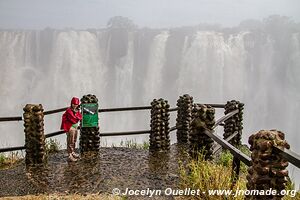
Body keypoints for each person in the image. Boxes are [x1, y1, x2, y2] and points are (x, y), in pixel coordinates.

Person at [61, 97, 82, 162]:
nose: (75, 105)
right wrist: (77, 116)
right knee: (70, 141)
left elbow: (80, 117)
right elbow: (73, 119)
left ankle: (72, 152)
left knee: (74, 140)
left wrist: (77, 116)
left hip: (75, 127)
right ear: (71, 103)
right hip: (70, 128)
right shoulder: (69, 110)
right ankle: (69, 155)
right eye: (73, 104)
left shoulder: (77, 110)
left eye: (76, 104)